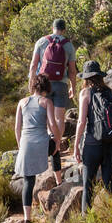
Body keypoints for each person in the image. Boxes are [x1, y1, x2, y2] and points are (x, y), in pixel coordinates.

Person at [74, 61, 112, 214]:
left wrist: (76, 145)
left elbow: (82, 121)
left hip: (93, 144)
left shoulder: (85, 93)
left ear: (86, 78)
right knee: (109, 183)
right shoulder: (109, 92)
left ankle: (86, 221)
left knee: (88, 185)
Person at [29, 18, 77, 180]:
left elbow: (33, 65)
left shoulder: (42, 41)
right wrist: (74, 86)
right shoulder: (69, 45)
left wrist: (32, 86)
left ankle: (49, 141)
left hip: (43, 84)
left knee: (45, 117)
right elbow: (72, 70)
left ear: (53, 28)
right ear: (64, 29)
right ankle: (56, 143)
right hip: (61, 84)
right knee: (59, 117)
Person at [13, 74, 63, 223]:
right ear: (46, 87)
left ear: (33, 86)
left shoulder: (22, 102)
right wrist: (58, 140)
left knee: (28, 181)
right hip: (42, 144)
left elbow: (17, 128)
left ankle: (27, 218)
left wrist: (20, 145)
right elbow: (52, 125)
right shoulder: (46, 102)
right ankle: (59, 181)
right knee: (55, 149)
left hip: (26, 144)